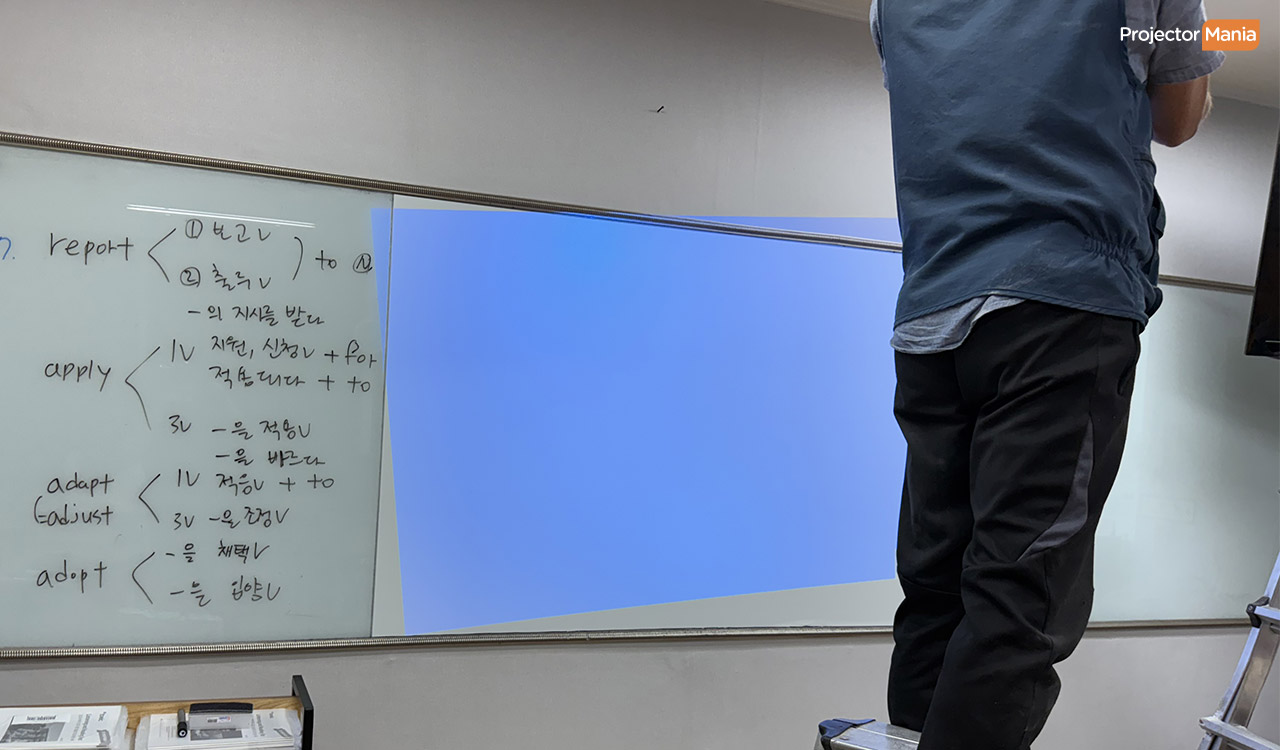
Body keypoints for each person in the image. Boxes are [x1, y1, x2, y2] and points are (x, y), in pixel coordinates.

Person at [867, 1, 1222, 748]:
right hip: (1061, 303)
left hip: (933, 314)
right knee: (1020, 595)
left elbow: (960, 89)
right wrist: (1202, 43)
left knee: (937, 584)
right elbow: (1179, 118)